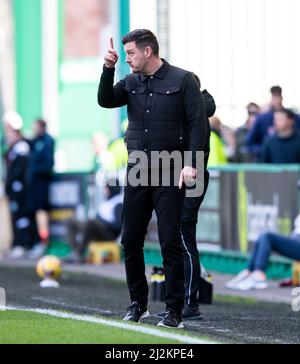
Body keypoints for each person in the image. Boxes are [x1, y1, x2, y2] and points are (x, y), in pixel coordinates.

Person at [98, 29, 207, 329]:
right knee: (130, 238)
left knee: (169, 240)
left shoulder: (183, 79)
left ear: (148, 51)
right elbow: (105, 100)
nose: (127, 58)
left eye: (131, 53)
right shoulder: (131, 81)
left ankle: (174, 310)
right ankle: (138, 303)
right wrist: (108, 69)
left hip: (172, 169)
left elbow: (198, 124)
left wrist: (192, 163)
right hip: (138, 169)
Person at [226, 214, 300, 291]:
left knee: (267, 236)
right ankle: (248, 271)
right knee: (263, 236)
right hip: (295, 239)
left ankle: (258, 275)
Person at [64, 180, 123, 263]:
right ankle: (75, 251)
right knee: (69, 221)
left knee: (90, 222)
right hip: (95, 228)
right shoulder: (106, 202)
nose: (105, 190)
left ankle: (79, 253)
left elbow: (118, 225)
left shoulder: (118, 203)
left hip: (108, 234)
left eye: (107, 188)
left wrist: (101, 222)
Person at [3, 118, 35, 259]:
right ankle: (17, 244)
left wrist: (14, 184)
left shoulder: (22, 147)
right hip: (12, 189)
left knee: (22, 218)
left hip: (20, 190)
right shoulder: (12, 148)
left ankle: (23, 245)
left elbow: (19, 170)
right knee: (16, 217)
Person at [26, 119, 55, 260]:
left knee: (41, 212)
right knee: (32, 212)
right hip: (33, 186)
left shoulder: (47, 141)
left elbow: (48, 163)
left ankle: (43, 243)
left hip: (42, 184)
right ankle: (35, 242)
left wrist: (35, 171)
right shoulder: (34, 142)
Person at [247, 86, 300, 161]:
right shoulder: (262, 119)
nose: (277, 100)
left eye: (278, 96)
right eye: (274, 96)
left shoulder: (294, 117)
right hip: (271, 160)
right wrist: (266, 148)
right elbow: (250, 142)